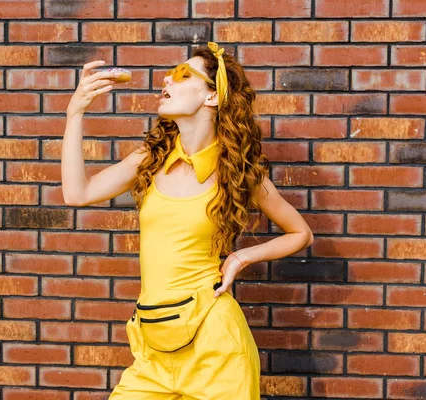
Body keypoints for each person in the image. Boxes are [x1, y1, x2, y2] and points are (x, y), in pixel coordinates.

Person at [61, 42, 314, 399]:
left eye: (182, 74)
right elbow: (77, 194)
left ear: (212, 97)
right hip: (153, 349)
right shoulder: (151, 157)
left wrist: (239, 259)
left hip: (215, 347)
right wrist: (75, 114)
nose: (167, 78)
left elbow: (299, 232)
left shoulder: (238, 172)